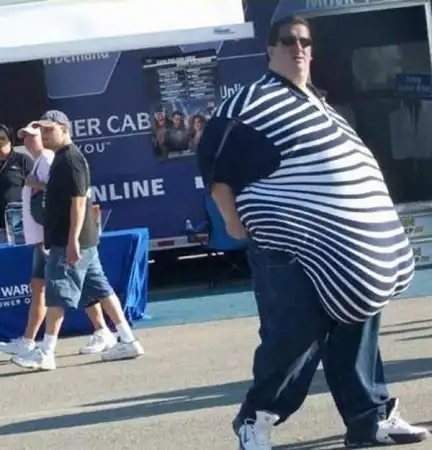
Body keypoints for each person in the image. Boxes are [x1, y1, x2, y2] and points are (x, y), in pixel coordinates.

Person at [197, 15, 429, 450]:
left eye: (304, 41)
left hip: (347, 248)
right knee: (293, 335)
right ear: (270, 49)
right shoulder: (249, 104)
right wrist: (231, 220)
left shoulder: (316, 101)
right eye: (288, 41)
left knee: (356, 323)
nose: (298, 48)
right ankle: (255, 418)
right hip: (289, 245)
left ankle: (369, 419)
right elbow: (214, 165)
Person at [11, 111, 144, 371]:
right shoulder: (61, 159)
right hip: (78, 240)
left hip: (70, 241)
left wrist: (72, 240)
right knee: (101, 290)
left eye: (49, 130)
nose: (44, 135)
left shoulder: (71, 160)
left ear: (64, 129)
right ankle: (128, 340)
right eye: (42, 130)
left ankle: (46, 352)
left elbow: (79, 201)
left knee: (58, 293)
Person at [0, 122, 117, 357]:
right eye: (26, 138)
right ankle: (30, 341)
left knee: (66, 288)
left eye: (34, 136)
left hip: (53, 236)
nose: (29, 141)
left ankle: (53, 345)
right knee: (42, 286)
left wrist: (68, 237)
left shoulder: (51, 160)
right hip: (42, 236)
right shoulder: (41, 161)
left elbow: (66, 197)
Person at [0, 123, 33, 243]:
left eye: (2, 138)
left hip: (19, 227)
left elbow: (35, 191)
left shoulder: (22, 160)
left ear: (10, 141)